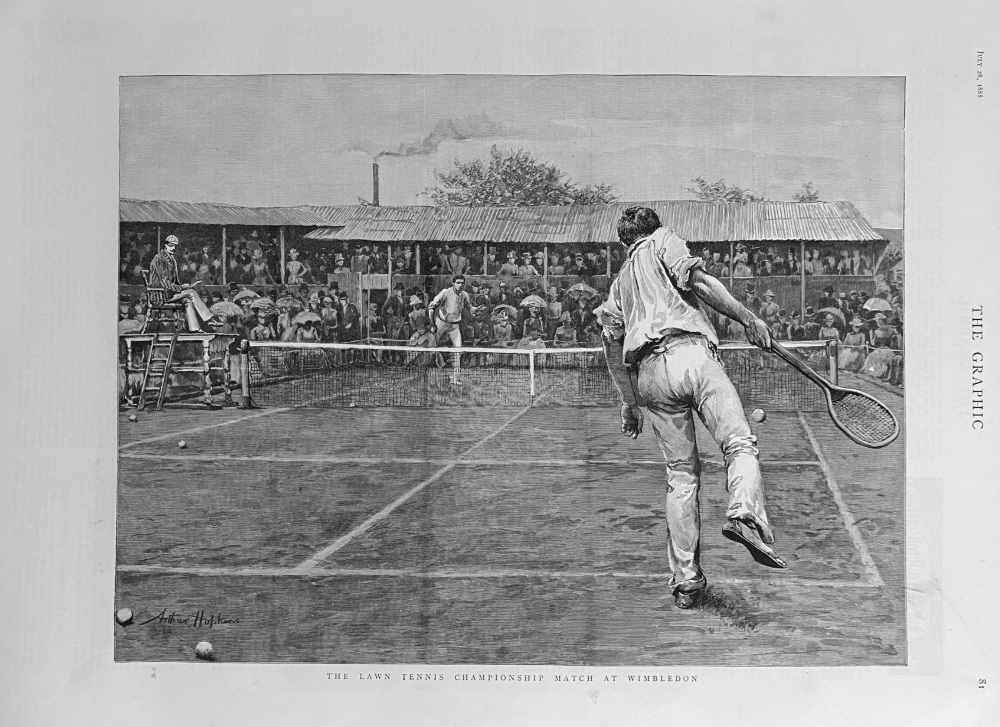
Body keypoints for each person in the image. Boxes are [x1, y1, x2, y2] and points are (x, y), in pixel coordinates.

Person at [596, 206, 784, 611]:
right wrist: (748, 318)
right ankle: (744, 514)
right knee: (739, 443)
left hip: (648, 376)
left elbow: (611, 345)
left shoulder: (619, 283)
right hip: (690, 353)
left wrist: (629, 403)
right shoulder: (663, 240)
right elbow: (698, 281)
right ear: (654, 229)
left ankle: (686, 581)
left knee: (681, 476)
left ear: (625, 242)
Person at [148, 235, 218, 332]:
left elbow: (174, 281)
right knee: (192, 292)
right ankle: (209, 319)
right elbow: (164, 283)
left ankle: (194, 328)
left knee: (187, 300)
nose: (173, 248)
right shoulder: (159, 259)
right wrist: (181, 288)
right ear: (165, 245)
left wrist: (183, 287)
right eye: (170, 245)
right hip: (160, 295)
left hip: (168, 293)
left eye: (174, 246)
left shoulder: (171, 259)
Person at [428, 275, 474, 381]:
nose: (460, 285)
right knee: (433, 349)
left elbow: (470, 308)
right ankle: (431, 376)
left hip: (454, 326)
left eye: (462, 283)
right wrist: (432, 324)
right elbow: (431, 308)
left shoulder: (464, 295)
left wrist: (476, 309)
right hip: (441, 324)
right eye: (458, 283)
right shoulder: (445, 292)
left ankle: (455, 378)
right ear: (453, 283)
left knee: (458, 350)